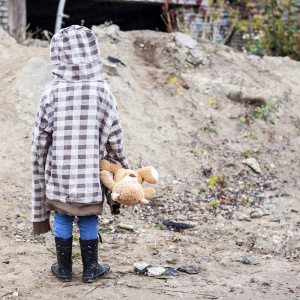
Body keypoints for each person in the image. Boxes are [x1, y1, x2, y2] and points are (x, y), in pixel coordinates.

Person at [31, 25, 128, 282]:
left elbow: (39, 139)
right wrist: (122, 166)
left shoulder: (50, 92)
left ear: (56, 56)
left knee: (63, 213)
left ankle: (63, 269)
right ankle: (90, 269)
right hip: (90, 172)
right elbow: (115, 137)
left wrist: (40, 166)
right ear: (93, 52)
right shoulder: (102, 91)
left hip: (60, 170)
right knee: (88, 215)